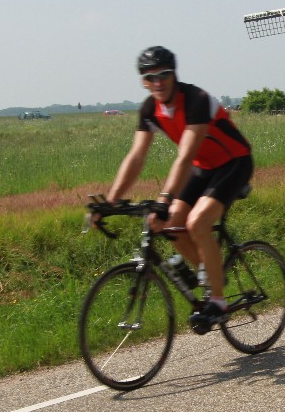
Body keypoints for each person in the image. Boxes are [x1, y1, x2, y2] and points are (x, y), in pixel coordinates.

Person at [103, 46, 254, 332]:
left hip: (234, 162)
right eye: (150, 78)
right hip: (202, 166)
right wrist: (111, 200)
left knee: (197, 222)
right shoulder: (150, 109)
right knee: (168, 224)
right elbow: (136, 157)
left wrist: (164, 198)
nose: (157, 82)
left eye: (163, 75)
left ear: (174, 75)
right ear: (143, 82)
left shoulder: (196, 100)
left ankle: (219, 303)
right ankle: (212, 277)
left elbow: (184, 156)